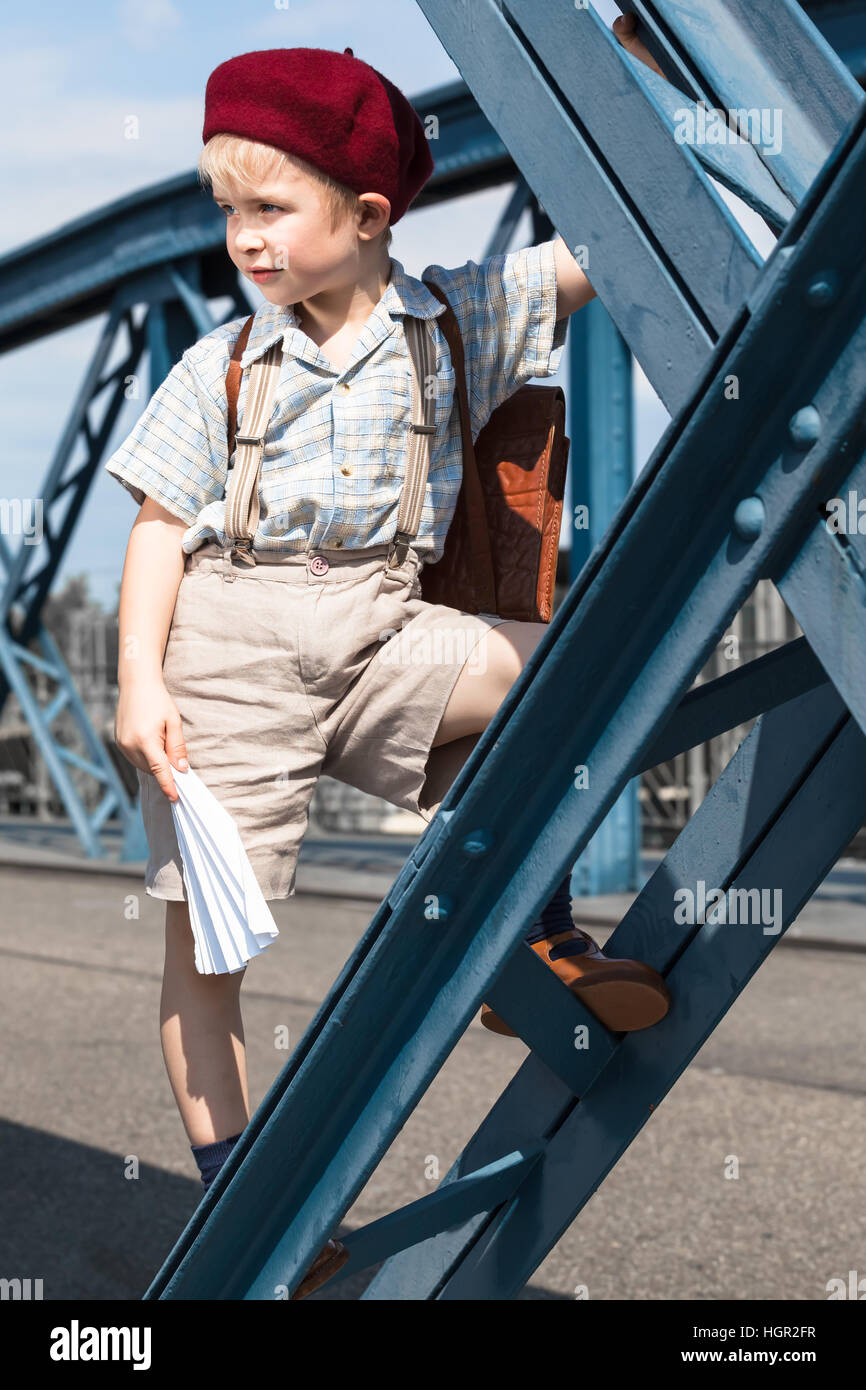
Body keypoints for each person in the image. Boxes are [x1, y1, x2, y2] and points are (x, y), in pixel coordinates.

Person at [108, 22, 670, 1300]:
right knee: (205, 955)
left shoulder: (457, 320)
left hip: (377, 626)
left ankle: (535, 937)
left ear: (367, 213)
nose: (241, 237)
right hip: (229, 652)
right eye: (223, 207)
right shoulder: (222, 363)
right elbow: (154, 529)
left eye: (267, 205)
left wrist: (640, 82)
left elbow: (598, 250)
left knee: (547, 676)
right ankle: (250, 1204)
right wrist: (141, 680)